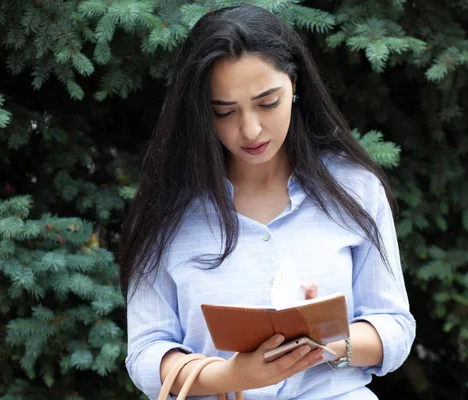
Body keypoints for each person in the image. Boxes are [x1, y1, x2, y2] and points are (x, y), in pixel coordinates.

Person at [121, 5, 415, 400]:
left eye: (267, 103)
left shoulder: (355, 189)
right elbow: (145, 351)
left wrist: (318, 342)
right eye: (224, 112)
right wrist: (230, 377)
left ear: (294, 85)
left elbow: (394, 326)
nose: (250, 129)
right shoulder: (165, 210)